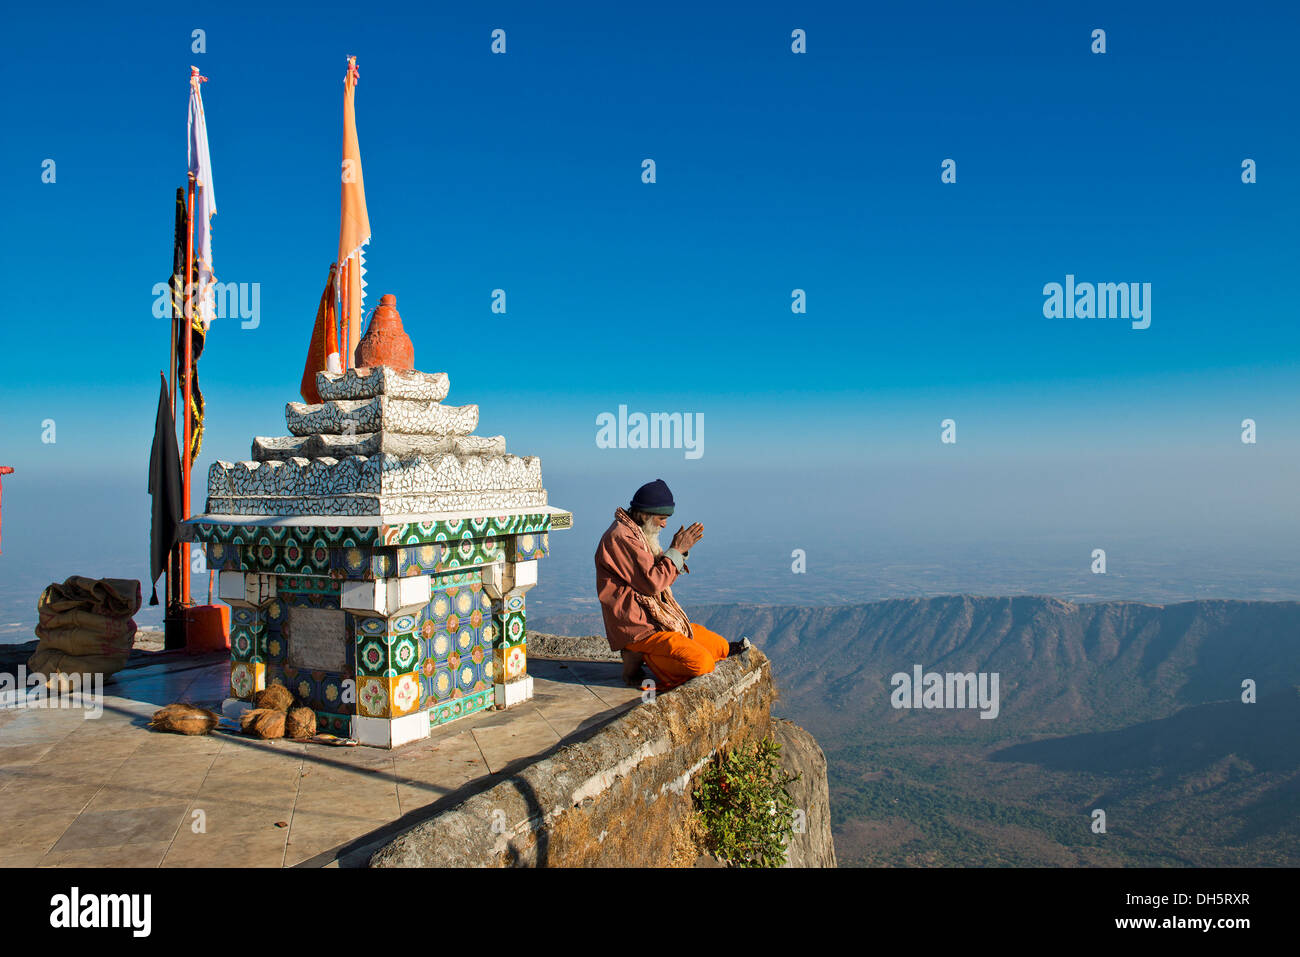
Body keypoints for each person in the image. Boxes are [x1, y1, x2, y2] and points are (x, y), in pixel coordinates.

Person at [594, 478, 750, 690]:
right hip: (640, 627)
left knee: (721, 647)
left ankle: (646, 654)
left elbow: (655, 572)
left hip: (658, 621)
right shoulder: (620, 537)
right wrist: (676, 550)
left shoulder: (638, 534)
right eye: (661, 518)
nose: (664, 524)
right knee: (701, 663)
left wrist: (679, 551)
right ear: (643, 514)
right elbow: (653, 583)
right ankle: (638, 653)